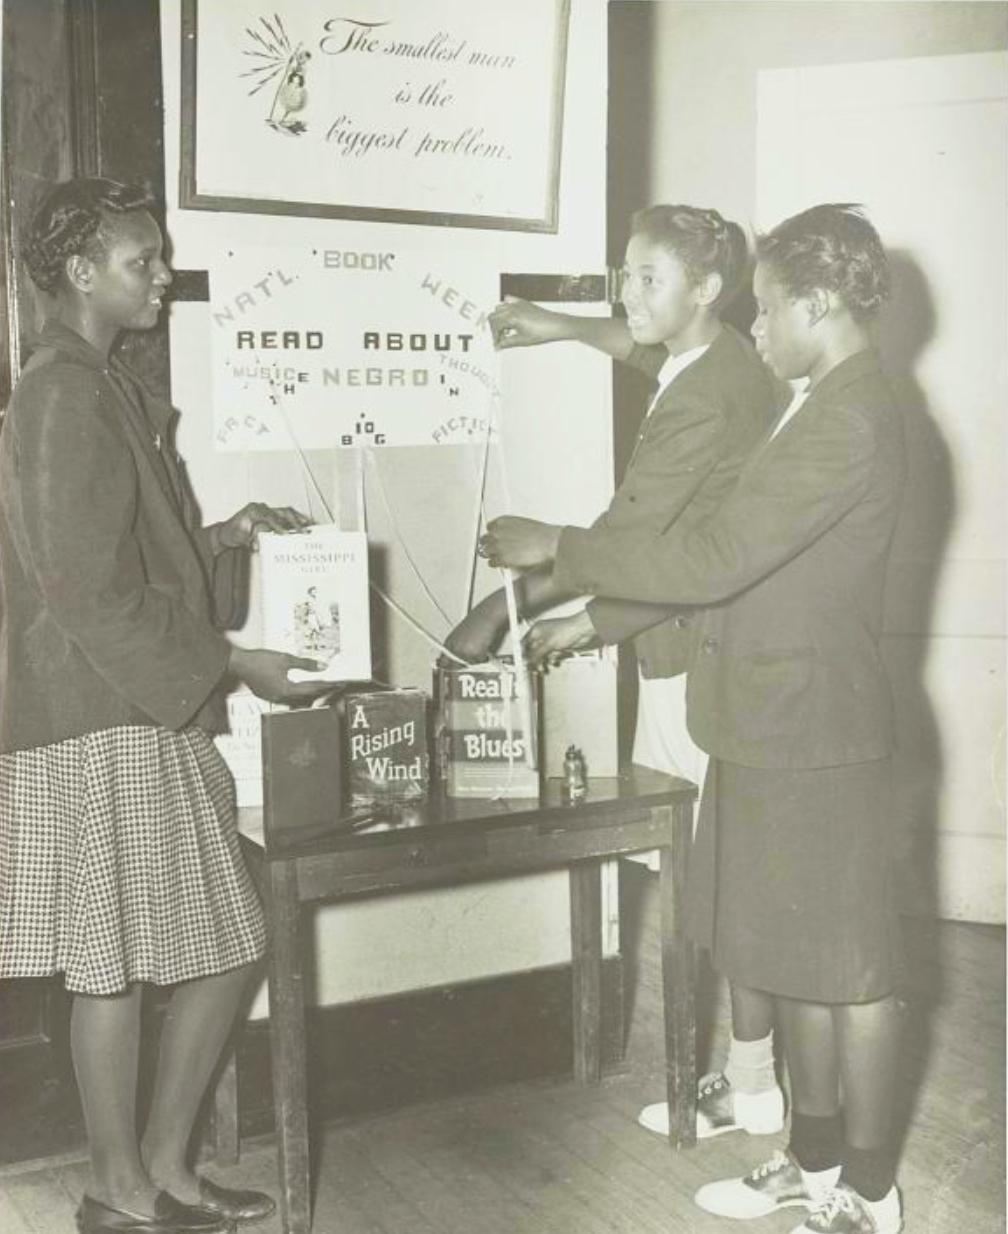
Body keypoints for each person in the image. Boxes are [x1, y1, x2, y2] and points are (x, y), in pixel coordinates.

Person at [482, 204, 906, 1234]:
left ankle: (871, 1191)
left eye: (765, 310)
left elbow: (716, 557)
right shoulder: (811, 395)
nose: (755, 329)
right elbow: (726, 544)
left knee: (853, 973)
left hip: (820, 730)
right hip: (765, 715)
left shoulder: (853, 414)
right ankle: (810, 1162)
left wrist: (563, 550)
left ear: (817, 302)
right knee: (788, 955)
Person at [0, 178, 331, 1234]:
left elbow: (121, 555)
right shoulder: (62, 393)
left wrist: (223, 536)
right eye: (143, 261)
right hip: (104, 717)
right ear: (80, 271)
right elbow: (84, 590)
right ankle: (126, 1193)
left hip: (132, 707)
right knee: (123, 959)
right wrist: (234, 664)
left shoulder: (99, 388)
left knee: (227, 928)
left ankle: (161, 1174)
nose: (163, 276)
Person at [447, 203, 786, 1142]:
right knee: (723, 869)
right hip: (693, 642)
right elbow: (643, 349)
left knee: (717, 878)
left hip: (696, 658)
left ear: (707, 290)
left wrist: (517, 598)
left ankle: (751, 1081)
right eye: (624, 274)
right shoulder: (716, 359)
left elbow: (632, 549)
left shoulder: (705, 399)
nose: (626, 294)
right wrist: (558, 325)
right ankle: (754, 1077)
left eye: (647, 279)